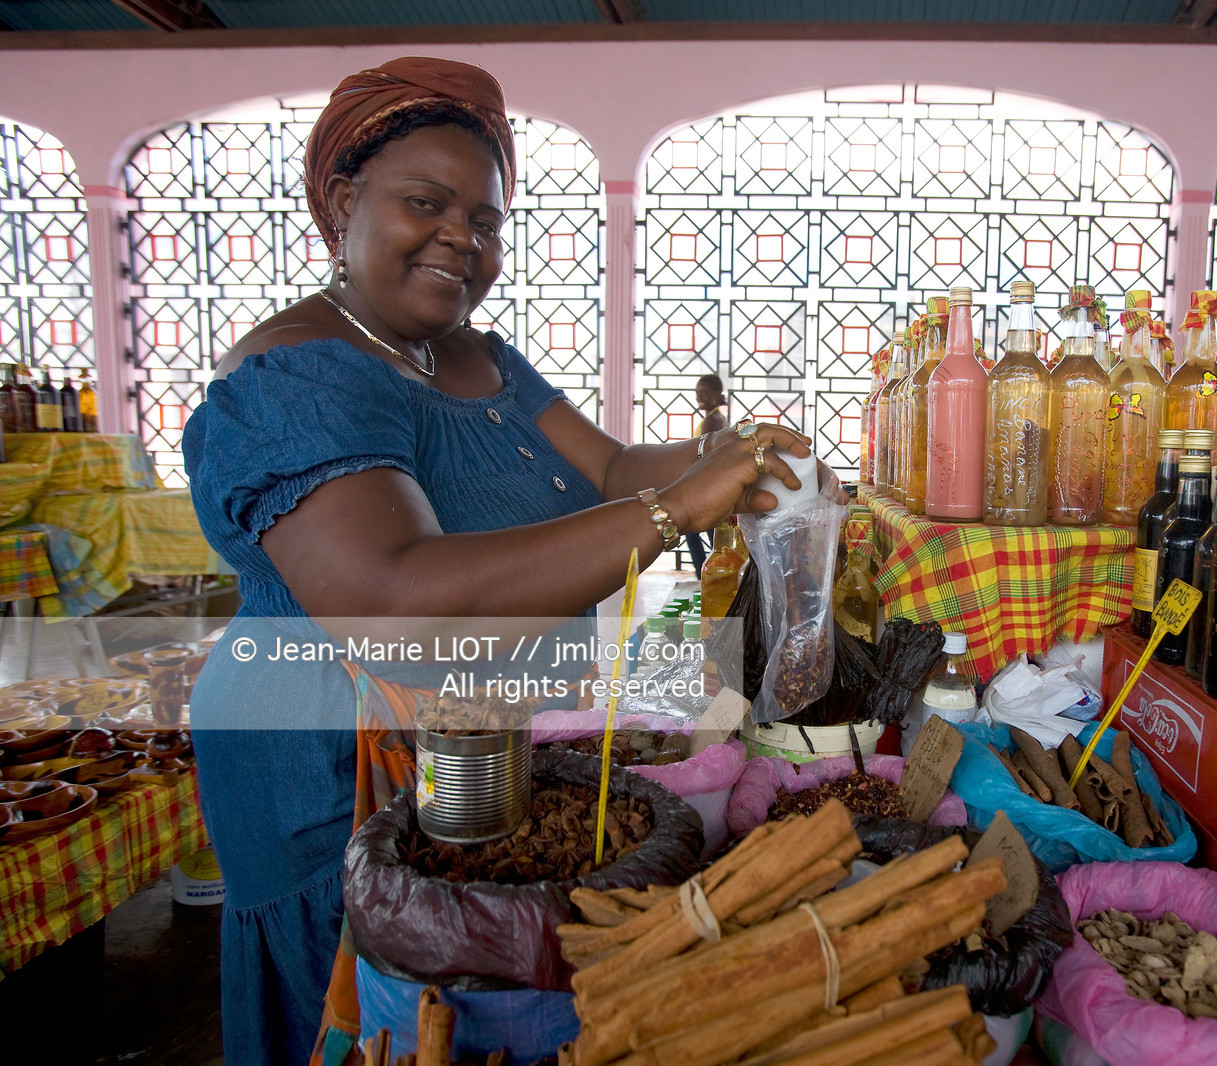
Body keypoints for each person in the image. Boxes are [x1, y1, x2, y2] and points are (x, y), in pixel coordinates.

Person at [181, 58, 808, 1066]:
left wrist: (730, 458)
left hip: (483, 746)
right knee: (367, 1004)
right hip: (339, 762)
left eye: (485, 220)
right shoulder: (292, 374)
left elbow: (609, 468)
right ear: (340, 203)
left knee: (479, 1000)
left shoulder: (480, 357)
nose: (461, 240)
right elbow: (392, 597)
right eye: (425, 203)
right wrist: (675, 508)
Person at [686, 374, 728, 576]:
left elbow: (703, 457)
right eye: (697, 393)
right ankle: (708, 575)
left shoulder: (711, 421)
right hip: (709, 485)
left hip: (704, 486)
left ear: (717, 394)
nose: (699, 397)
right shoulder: (716, 417)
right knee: (709, 535)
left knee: (694, 532)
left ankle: (705, 575)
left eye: (704, 393)